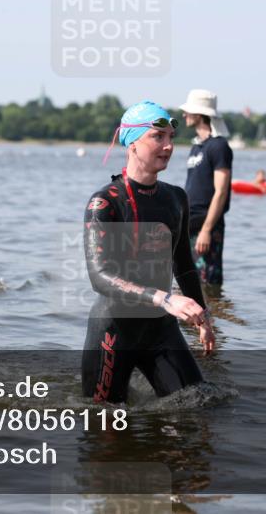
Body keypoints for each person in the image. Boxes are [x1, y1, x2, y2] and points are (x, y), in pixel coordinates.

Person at [82, 101, 215, 404]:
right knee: (105, 431)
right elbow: (100, 277)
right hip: (113, 331)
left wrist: (203, 318)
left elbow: (184, 266)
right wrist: (166, 298)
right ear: (132, 143)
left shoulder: (175, 198)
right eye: (158, 137)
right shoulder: (104, 203)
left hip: (160, 328)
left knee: (199, 408)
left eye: (171, 137)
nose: (168, 146)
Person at [180, 89, 233, 290]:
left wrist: (207, 230)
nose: (184, 115)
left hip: (207, 226)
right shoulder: (196, 147)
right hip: (189, 224)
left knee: (208, 283)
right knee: (187, 283)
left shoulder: (218, 147)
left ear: (200, 114)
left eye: (188, 111)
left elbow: (221, 191)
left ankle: (213, 318)